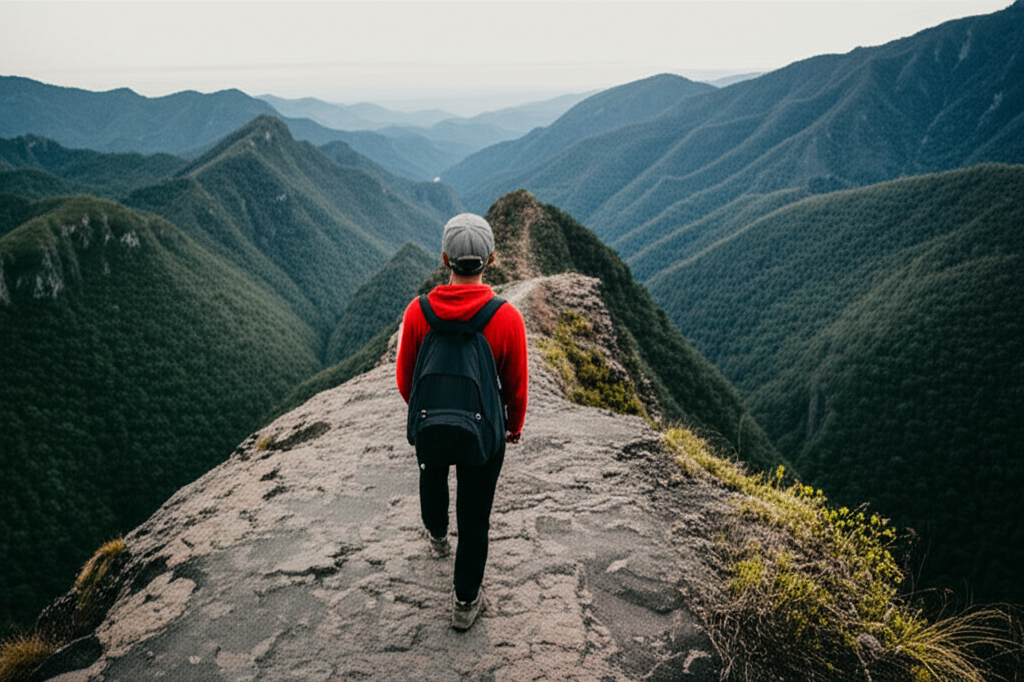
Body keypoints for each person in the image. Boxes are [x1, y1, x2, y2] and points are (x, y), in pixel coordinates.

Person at [396, 213, 528, 631]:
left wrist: (432, 412)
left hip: (431, 424)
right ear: (491, 259)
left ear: (444, 259)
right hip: (483, 433)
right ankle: (465, 602)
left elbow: (405, 380)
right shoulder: (507, 318)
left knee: (432, 475)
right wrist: (513, 426)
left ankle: (437, 536)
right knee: (475, 518)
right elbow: (515, 386)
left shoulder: (418, 313)